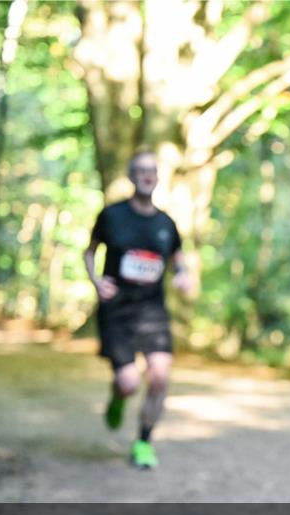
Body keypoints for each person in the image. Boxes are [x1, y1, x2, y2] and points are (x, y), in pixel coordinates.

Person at [84, 150, 194, 469]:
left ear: (157, 178)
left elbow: (178, 260)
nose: (147, 176)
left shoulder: (166, 224)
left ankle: (144, 442)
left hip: (152, 311)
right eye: (141, 171)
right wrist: (95, 281)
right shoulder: (112, 216)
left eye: (152, 171)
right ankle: (118, 395)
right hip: (117, 311)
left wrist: (183, 275)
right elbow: (89, 253)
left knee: (160, 378)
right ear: (131, 177)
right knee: (130, 382)